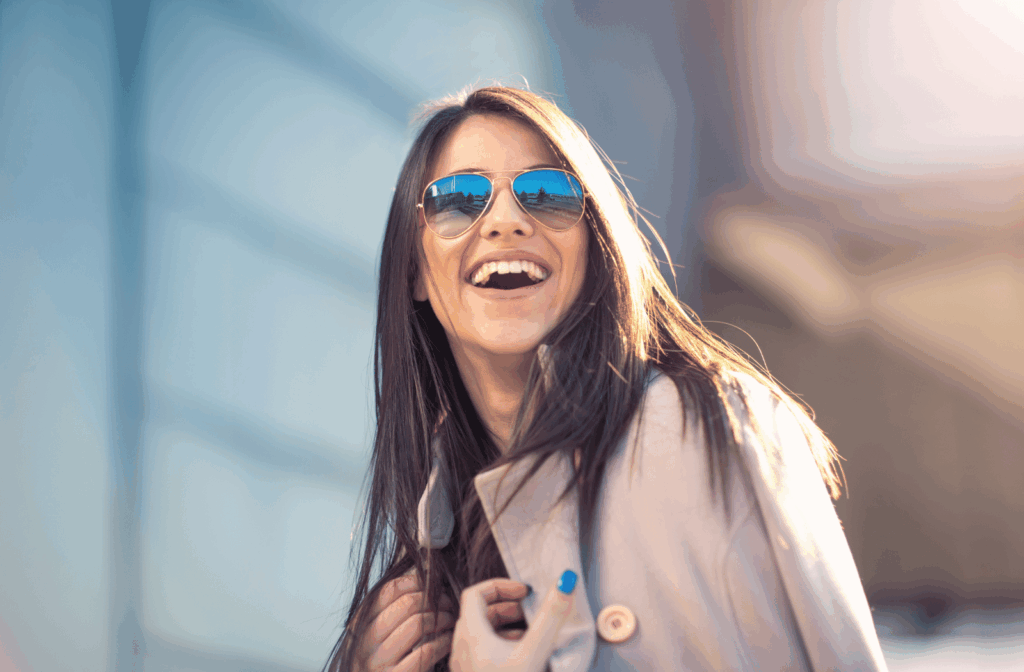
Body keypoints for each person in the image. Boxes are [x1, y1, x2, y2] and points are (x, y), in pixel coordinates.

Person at [323, 85, 889, 672]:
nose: (507, 221)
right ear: (414, 269)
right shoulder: (417, 587)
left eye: (547, 194)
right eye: (460, 198)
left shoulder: (708, 428)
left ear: (593, 242)